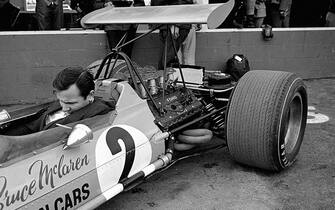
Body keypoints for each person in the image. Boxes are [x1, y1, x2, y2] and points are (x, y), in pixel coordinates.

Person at [3, 67, 114, 136]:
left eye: (71, 103)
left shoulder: (99, 112)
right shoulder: (65, 100)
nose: (64, 107)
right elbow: (32, 126)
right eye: (61, 101)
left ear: (90, 95)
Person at [151, 0, 193, 70]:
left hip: (174, 23)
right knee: (163, 61)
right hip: (166, 22)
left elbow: (181, 2)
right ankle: (166, 79)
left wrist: (176, 23)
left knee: (166, 61)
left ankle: (167, 79)